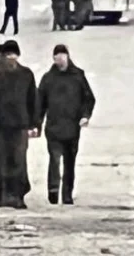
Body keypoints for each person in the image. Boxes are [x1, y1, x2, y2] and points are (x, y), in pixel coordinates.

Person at [0, 39, 39, 208]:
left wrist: (34, 124)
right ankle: (0, 195)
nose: (11, 58)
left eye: (13, 54)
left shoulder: (26, 74)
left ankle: (17, 195)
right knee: (0, 161)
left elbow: (33, 100)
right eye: (8, 55)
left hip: (20, 124)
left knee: (18, 161)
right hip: (0, 124)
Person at [37, 44, 96, 205]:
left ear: (68, 57)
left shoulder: (77, 76)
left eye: (63, 56)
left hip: (72, 127)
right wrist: (37, 124)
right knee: (55, 159)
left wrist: (85, 116)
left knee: (70, 162)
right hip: (54, 127)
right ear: (54, 59)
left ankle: (67, 193)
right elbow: (40, 103)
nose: (60, 60)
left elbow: (89, 98)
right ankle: (53, 190)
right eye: (57, 57)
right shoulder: (48, 78)